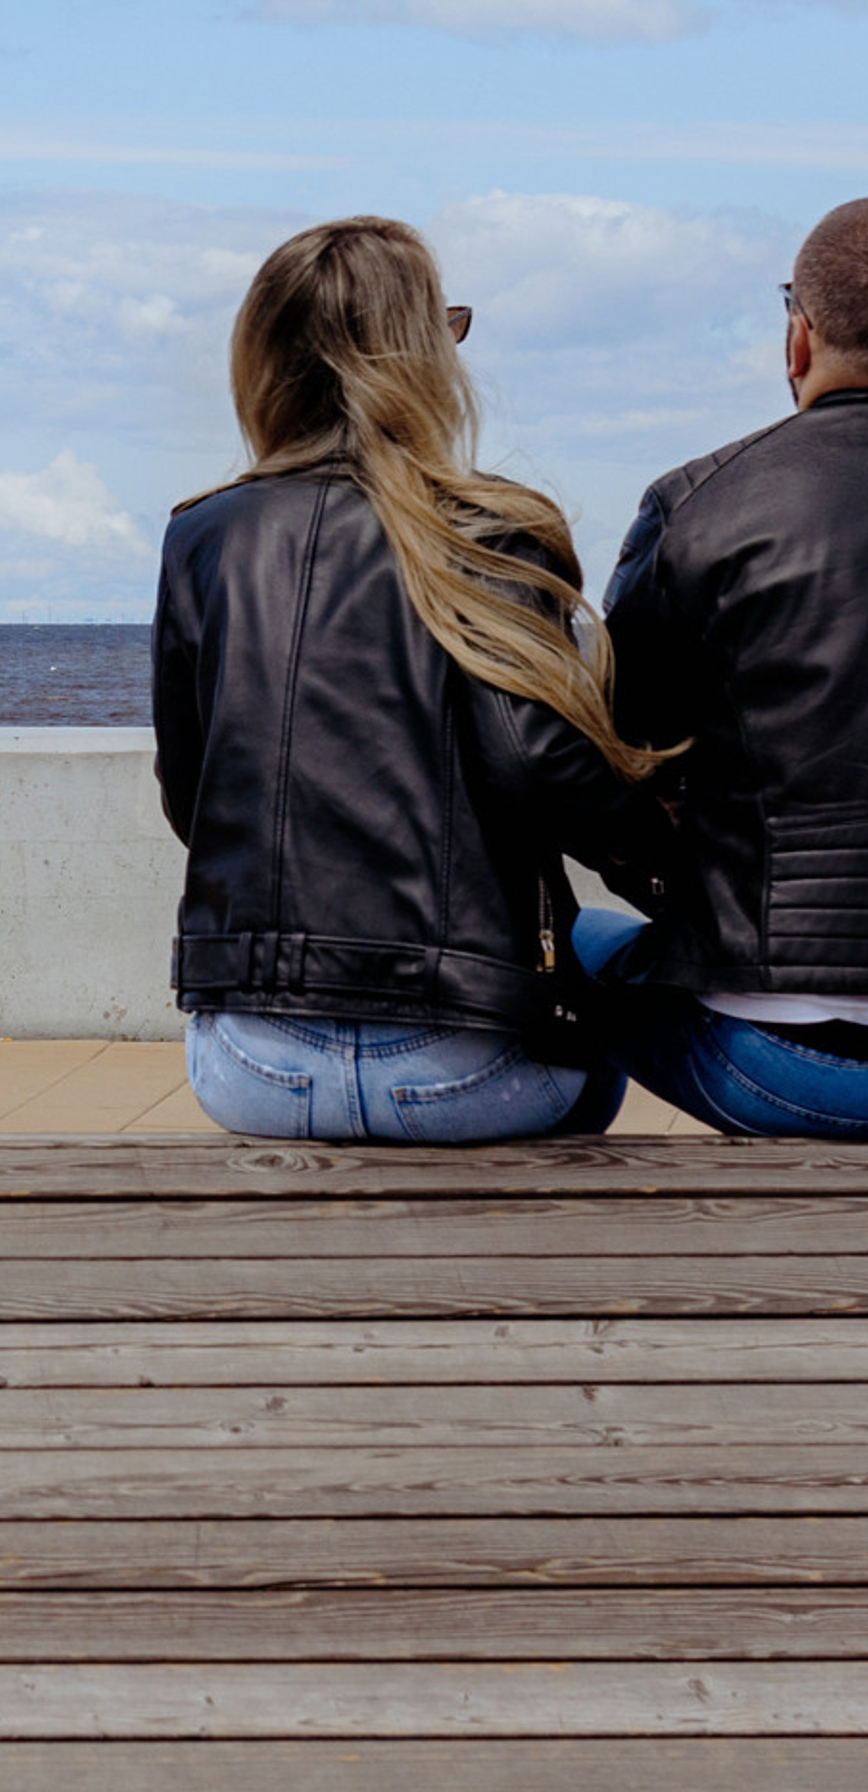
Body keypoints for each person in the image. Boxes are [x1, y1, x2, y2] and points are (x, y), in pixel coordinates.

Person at [155, 214, 668, 1144]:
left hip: (252, 1068)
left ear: (262, 360)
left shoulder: (204, 538)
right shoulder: (492, 532)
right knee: (601, 973)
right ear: (422, 358)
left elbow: (193, 798)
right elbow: (540, 768)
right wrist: (671, 858)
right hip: (468, 1072)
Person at [570, 197, 868, 1138]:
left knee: (558, 949)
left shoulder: (699, 506)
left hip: (790, 1065)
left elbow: (616, 752)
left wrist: (680, 899)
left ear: (799, 338)